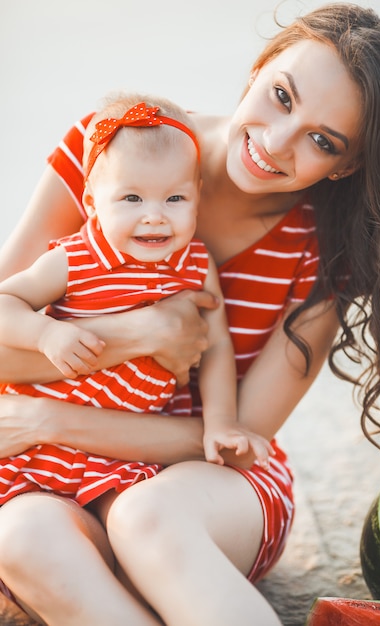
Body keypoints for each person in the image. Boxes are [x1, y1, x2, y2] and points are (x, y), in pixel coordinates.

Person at [0, 2, 380, 625]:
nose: (276, 143)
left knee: (148, 517)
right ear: (260, 66)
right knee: (23, 538)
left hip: (206, 489)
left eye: (322, 141)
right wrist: (142, 331)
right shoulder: (117, 148)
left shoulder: (327, 253)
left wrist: (45, 419)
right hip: (53, 473)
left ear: (347, 164)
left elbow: (234, 442)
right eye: (282, 95)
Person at [0, 94, 271, 509]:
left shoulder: (196, 263)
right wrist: (44, 332)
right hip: (37, 443)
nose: (154, 216)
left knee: (125, 524)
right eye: (132, 199)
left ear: (197, 195)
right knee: (36, 522)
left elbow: (216, 346)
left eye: (174, 199)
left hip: (125, 445)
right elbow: (6, 302)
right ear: (92, 202)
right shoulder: (75, 259)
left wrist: (220, 422)